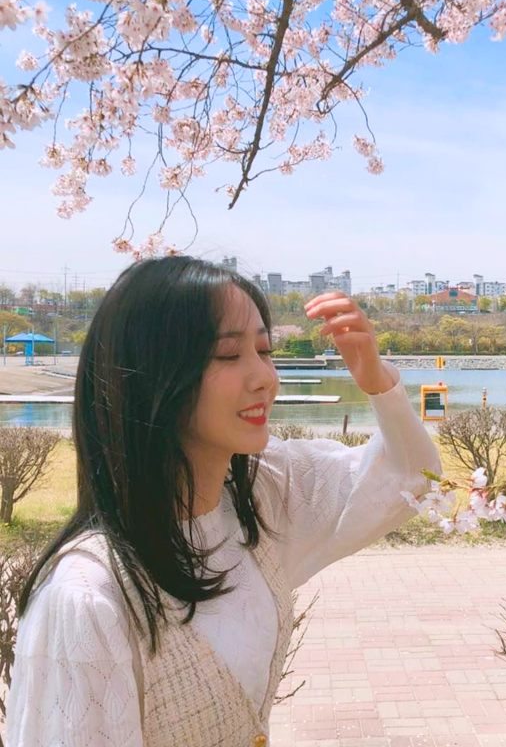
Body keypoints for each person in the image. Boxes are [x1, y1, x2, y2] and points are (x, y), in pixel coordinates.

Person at [8, 256, 441, 745]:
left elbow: (409, 481)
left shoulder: (260, 498)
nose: (264, 378)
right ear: (151, 375)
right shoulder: (88, 598)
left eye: (264, 350)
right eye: (228, 355)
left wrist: (378, 382)